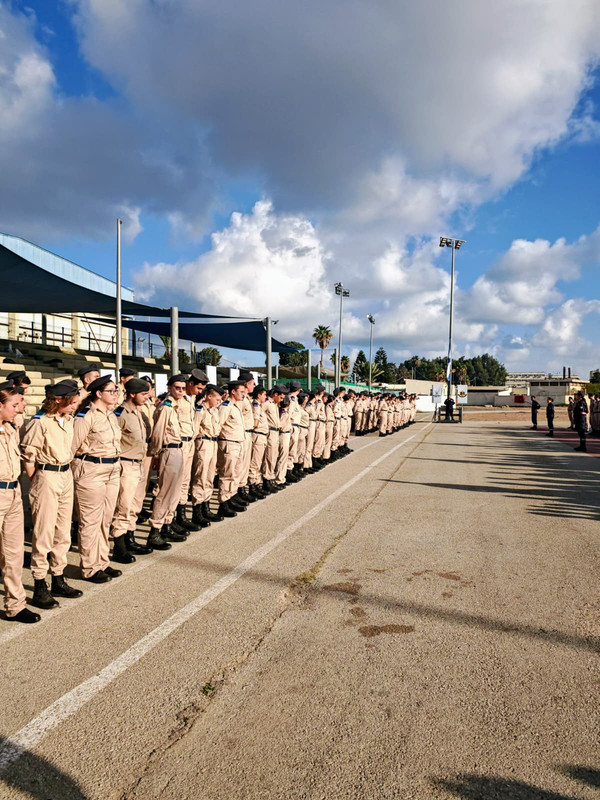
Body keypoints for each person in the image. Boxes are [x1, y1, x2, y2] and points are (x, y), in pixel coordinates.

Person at [20, 379, 82, 608]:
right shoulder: (41, 423)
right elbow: (28, 454)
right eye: (71, 402)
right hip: (46, 475)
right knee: (43, 532)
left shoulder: (68, 420)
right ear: (57, 400)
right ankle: (39, 584)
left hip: (66, 474)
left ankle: (58, 578)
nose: (75, 406)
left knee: (63, 531)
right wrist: (36, 478)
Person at [72, 375, 122, 583]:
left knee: (105, 519)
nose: (116, 394)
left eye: (116, 390)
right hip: (91, 469)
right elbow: (72, 446)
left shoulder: (110, 415)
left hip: (112, 469)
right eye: (111, 391)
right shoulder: (86, 416)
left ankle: (102, 561)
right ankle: (90, 567)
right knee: (90, 521)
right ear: (99, 394)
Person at [0, 380, 40, 623]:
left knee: (14, 554)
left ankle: (15, 605)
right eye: (14, 404)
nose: (20, 408)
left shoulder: (12, 429)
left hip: (13, 492)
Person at [111, 378, 154, 562]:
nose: (147, 397)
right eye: (144, 394)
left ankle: (130, 538)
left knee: (135, 505)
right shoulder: (120, 413)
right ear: (132, 394)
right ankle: (119, 546)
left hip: (138, 463)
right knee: (123, 506)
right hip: (125, 463)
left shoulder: (138, 412)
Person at [148, 375, 188, 547]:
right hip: (169, 450)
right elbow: (157, 433)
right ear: (169, 387)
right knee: (164, 493)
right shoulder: (166, 407)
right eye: (177, 388)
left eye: (183, 388)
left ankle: (167, 524)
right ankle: (155, 531)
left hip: (178, 449)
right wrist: (155, 454)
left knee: (175, 491)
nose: (180, 391)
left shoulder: (175, 406)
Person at [174, 371, 207, 532]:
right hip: (178, 444)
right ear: (191, 384)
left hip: (189, 442)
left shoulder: (191, 399)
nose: (200, 392)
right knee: (175, 483)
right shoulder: (177, 400)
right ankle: (171, 519)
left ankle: (181, 515)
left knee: (185, 481)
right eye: (199, 388)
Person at [191, 384, 224, 522]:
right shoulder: (200, 409)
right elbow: (194, 428)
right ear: (209, 396)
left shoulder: (214, 410)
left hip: (213, 442)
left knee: (210, 476)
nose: (219, 401)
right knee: (201, 476)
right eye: (217, 398)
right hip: (203, 442)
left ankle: (206, 506)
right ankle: (197, 509)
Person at [217, 380, 247, 515]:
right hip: (229, 443)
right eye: (241, 391)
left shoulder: (235, 406)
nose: (243, 394)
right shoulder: (226, 406)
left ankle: (231, 497)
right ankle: (223, 502)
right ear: (233, 392)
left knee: (235, 473)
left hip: (238, 443)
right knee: (227, 475)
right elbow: (218, 425)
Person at [262, 385, 286, 493]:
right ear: (275, 394)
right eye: (280, 397)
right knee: (269, 456)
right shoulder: (267, 404)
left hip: (276, 431)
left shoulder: (275, 405)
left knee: (273, 456)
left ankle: (270, 478)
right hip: (270, 431)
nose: (281, 400)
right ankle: (266, 480)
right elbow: (259, 415)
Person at [248, 385, 268, 498]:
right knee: (255, 462)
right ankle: (252, 486)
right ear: (259, 395)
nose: (265, 396)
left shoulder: (259, 405)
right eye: (264, 394)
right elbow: (255, 422)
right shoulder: (255, 405)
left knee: (258, 462)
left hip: (261, 436)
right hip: (258, 436)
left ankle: (255, 484)